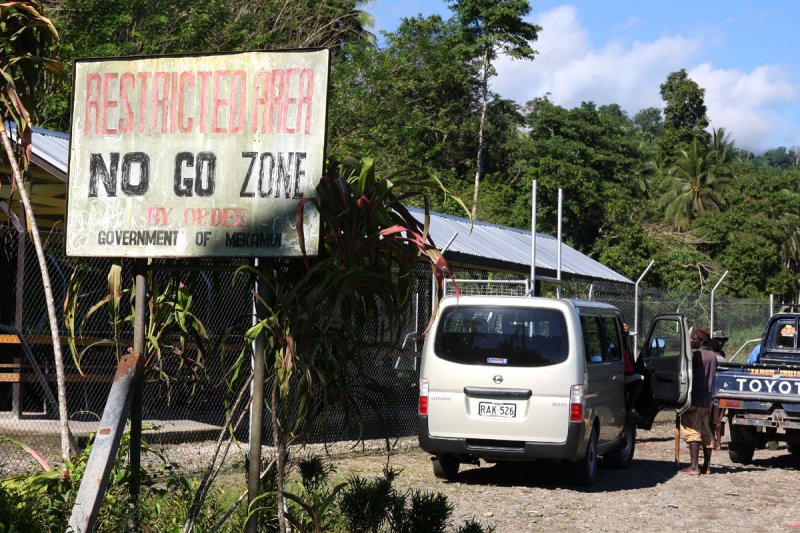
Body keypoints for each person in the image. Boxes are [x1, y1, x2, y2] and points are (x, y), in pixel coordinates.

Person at [680, 327, 718, 475]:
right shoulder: (712, 356)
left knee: (692, 431)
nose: (691, 340)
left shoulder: (696, 356)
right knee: (706, 433)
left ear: (701, 340)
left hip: (694, 399)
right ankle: (707, 466)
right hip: (706, 400)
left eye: (693, 338)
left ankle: (694, 467)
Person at [709, 331, 728, 450]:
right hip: (711, 390)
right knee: (711, 418)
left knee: (718, 418)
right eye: (718, 340)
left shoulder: (722, 355)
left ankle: (718, 442)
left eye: (722, 340)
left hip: (719, 390)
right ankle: (713, 440)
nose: (721, 343)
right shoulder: (711, 355)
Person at [622, 322, 644, 419]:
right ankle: (629, 408)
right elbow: (628, 370)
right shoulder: (622, 348)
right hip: (622, 376)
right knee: (640, 380)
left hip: (623, 373)